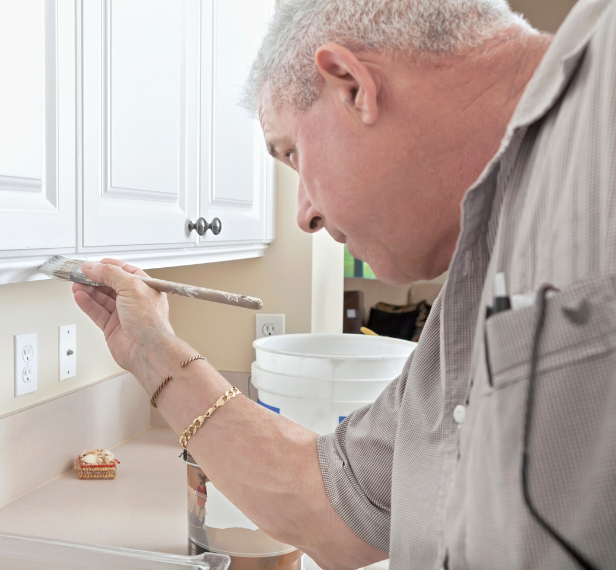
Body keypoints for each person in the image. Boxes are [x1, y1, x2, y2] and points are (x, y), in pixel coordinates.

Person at [70, 0, 616, 568]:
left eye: (292, 153)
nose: (304, 215)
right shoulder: (467, 299)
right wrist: (149, 350)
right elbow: (332, 503)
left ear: (353, 86)